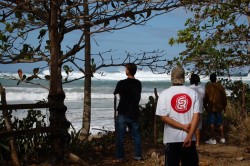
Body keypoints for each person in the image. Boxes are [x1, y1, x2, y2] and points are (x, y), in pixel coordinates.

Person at [156, 66, 200, 166]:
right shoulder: (193, 93)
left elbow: (163, 117)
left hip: (171, 138)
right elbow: (196, 117)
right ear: (183, 78)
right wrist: (189, 135)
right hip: (189, 138)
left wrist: (182, 127)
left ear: (172, 78)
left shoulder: (164, 94)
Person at [113, 63, 143, 162]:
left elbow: (116, 94)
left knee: (120, 136)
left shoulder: (121, 83)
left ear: (128, 70)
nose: (125, 70)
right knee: (136, 136)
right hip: (134, 112)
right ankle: (138, 156)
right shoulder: (138, 83)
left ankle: (120, 157)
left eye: (126, 69)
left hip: (123, 111)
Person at [204, 73, 227, 144]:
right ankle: (222, 138)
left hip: (211, 107)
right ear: (216, 79)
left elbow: (206, 98)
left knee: (212, 123)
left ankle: (213, 139)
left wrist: (205, 106)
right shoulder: (220, 86)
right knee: (220, 123)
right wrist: (224, 106)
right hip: (219, 107)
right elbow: (224, 97)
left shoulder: (208, 87)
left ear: (210, 79)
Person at [189, 73, 205, 146]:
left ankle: (190, 139)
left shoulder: (188, 88)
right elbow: (204, 99)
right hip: (199, 109)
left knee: (190, 125)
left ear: (191, 80)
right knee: (198, 127)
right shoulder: (202, 89)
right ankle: (197, 142)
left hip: (190, 109)